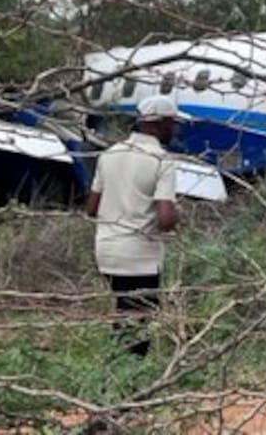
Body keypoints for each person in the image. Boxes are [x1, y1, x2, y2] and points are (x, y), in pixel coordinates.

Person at [86, 94, 180, 357]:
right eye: (171, 123)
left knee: (124, 310)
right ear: (157, 124)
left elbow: (92, 208)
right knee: (140, 322)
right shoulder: (162, 160)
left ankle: (117, 374)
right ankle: (130, 381)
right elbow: (165, 220)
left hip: (106, 251)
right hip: (140, 255)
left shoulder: (109, 155)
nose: (174, 129)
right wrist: (176, 215)